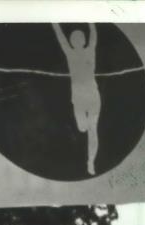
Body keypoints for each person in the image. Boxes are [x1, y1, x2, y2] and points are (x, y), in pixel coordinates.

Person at [53, 25, 100, 177]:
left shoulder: (90, 50)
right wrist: (54, 22)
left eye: (81, 38)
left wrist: (92, 22)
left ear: (84, 40)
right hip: (78, 96)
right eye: (74, 38)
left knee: (92, 129)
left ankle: (91, 161)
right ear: (72, 41)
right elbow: (61, 37)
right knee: (82, 128)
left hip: (93, 94)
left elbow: (93, 35)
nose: (78, 40)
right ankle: (83, 127)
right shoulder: (70, 53)